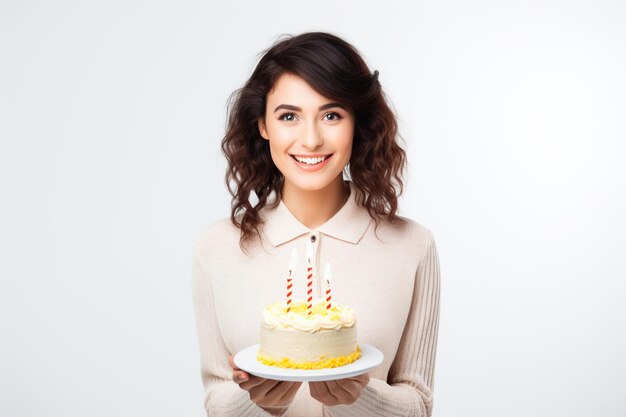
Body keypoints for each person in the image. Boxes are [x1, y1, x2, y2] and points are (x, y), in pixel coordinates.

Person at [191, 31, 441, 417]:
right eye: (288, 116)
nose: (310, 139)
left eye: (331, 115)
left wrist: (359, 398)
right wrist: (257, 401)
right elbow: (216, 400)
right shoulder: (215, 248)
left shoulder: (412, 246)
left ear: (357, 122)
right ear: (262, 124)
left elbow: (419, 405)